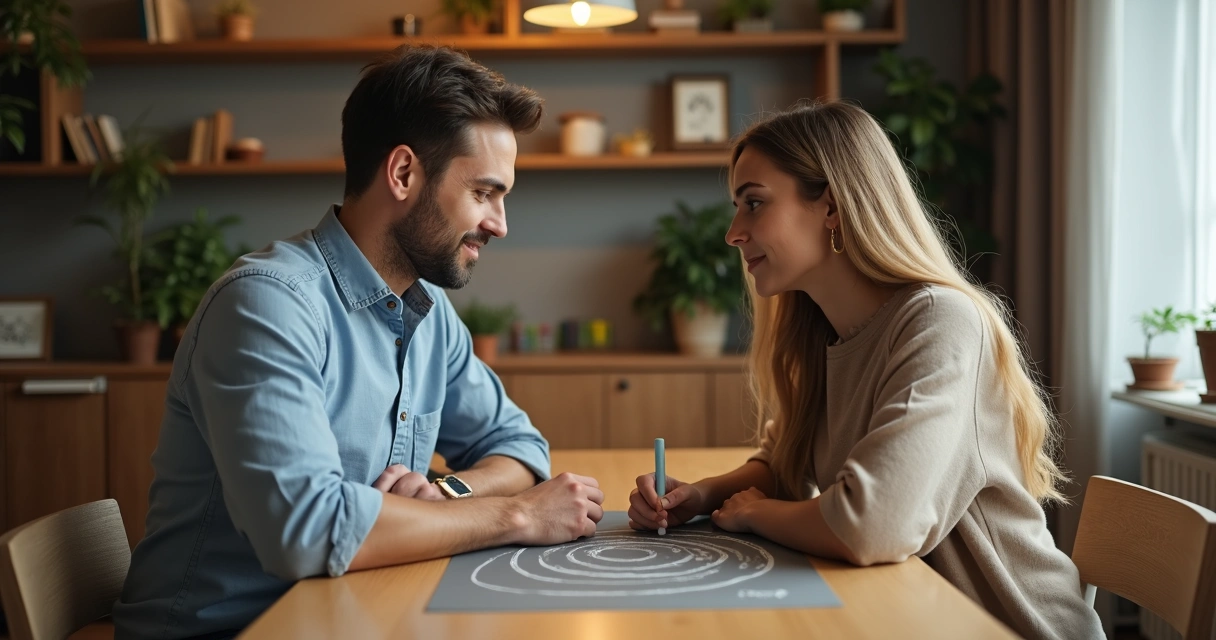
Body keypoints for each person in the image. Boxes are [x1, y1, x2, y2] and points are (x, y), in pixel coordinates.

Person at [113, 45, 604, 640]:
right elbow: (307, 532)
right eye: (483, 193)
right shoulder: (267, 305)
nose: (499, 223)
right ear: (403, 174)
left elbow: (520, 449)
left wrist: (446, 492)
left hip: (356, 615)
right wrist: (517, 514)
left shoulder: (430, 314)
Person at [627, 101, 1104, 640]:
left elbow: (872, 525)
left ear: (831, 206)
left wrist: (757, 514)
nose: (733, 233)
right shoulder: (826, 332)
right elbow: (785, 463)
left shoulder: (940, 322)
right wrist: (701, 496)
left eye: (754, 203)